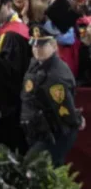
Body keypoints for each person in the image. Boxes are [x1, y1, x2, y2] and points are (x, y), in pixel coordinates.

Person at [21, 24, 85, 166]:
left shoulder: (55, 76)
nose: (36, 49)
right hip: (39, 132)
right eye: (34, 45)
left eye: (42, 45)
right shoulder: (37, 63)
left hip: (54, 133)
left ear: (54, 46)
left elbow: (65, 110)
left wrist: (76, 120)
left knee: (30, 168)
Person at [0, 0, 32, 153]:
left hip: (11, 107)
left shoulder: (14, 34)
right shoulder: (7, 28)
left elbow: (13, 73)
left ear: (7, 5)